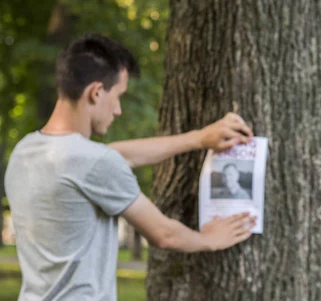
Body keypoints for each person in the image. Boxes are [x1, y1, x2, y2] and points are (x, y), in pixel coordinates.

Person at [4, 33, 256, 301]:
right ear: (96, 92)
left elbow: (113, 157)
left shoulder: (26, 152)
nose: (118, 110)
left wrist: (199, 138)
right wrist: (209, 239)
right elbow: (164, 234)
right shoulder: (94, 163)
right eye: (118, 96)